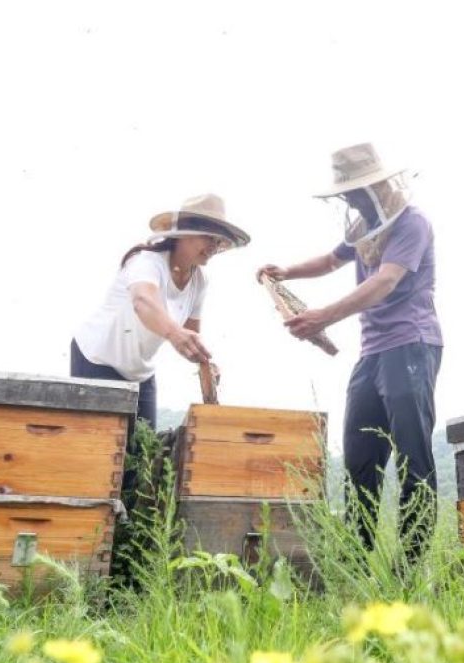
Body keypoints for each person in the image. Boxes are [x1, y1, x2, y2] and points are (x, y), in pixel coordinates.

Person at [257, 143, 443, 563]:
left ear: (379, 184)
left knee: (413, 457)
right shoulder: (363, 225)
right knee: (360, 457)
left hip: (411, 344)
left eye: (358, 190)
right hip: (372, 352)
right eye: (348, 193)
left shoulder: (413, 223)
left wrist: (323, 317)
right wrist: (285, 271)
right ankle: (355, 564)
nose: (352, 198)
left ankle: (408, 569)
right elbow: (329, 260)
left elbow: (385, 283)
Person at [72, 194, 250, 488]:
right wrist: (174, 334)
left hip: (140, 370)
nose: (215, 247)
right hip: (97, 359)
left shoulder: (199, 281)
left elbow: (191, 332)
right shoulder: (147, 262)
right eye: (209, 237)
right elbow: (144, 301)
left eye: (219, 241)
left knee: (142, 454)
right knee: (100, 454)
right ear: (184, 233)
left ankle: (126, 531)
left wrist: (206, 361)